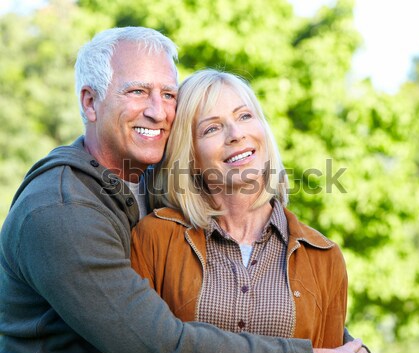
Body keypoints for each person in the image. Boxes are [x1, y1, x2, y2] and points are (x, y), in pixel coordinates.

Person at [0, 27, 365, 353]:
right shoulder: (61, 210)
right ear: (90, 103)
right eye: (138, 91)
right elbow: (154, 343)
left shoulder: (148, 183)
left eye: (168, 94)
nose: (158, 112)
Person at [131, 69, 358, 350]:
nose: (236, 134)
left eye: (245, 116)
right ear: (190, 156)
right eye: (212, 128)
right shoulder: (154, 238)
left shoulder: (324, 257)